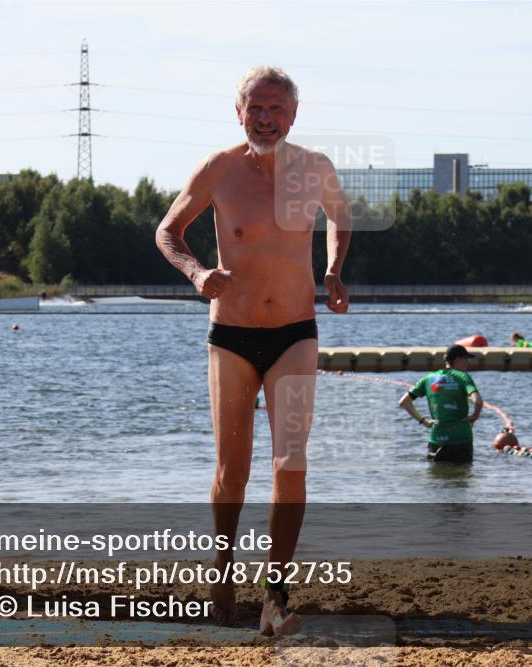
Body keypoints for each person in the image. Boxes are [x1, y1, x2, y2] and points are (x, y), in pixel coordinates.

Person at [155, 66, 351, 636]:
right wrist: (195, 273)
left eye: (277, 110)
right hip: (232, 335)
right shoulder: (218, 168)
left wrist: (335, 269)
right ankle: (221, 572)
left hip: (295, 330)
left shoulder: (314, 168)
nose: (266, 119)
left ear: (293, 115)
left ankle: (275, 595)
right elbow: (168, 230)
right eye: (256, 109)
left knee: (290, 462)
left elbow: (339, 218)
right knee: (231, 469)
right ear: (238, 112)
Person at [398, 345, 483, 464]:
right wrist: (475, 416)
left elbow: (404, 402)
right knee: (462, 479)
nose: (467, 363)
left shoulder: (428, 378)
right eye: (465, 359)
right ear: (457, 359)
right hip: (461, 440)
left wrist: (424, 421)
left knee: (437, 478)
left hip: (436, 439)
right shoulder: (463, 377)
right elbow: (478, 401)